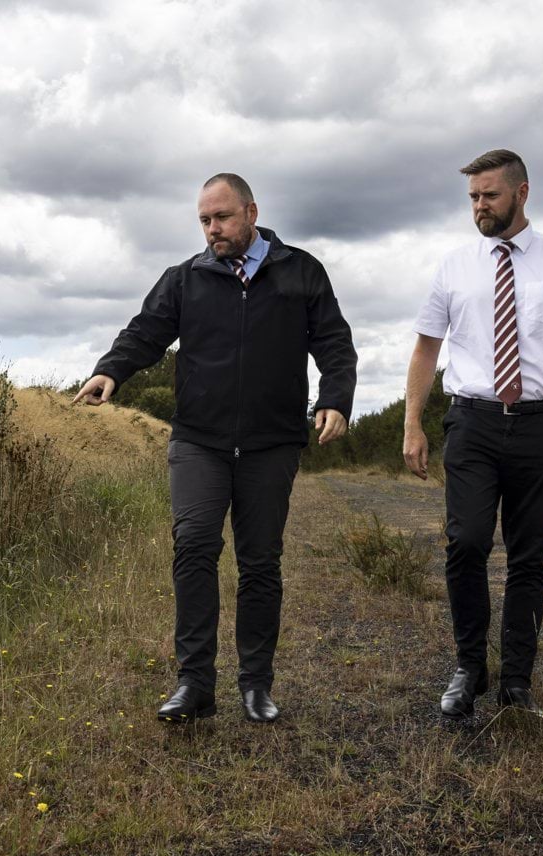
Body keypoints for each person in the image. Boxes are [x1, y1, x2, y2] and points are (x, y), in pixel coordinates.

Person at [73, 173, 357, 723]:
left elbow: (333, 342)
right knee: (195, 548)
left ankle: (256, 686)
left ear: (251, 211)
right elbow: (146, 331)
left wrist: (336, 398)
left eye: (222, 217)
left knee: (259, 563)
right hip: (199, 441)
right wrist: (111, 371)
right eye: (204, 220)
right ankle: (194, 683)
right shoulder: (185, 279)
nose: (212, 230)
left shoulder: (300, 271)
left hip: (271, 443)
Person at [402, 149, 543, 718]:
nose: (479, 206)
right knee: (468, 542)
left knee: (529, 556)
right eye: (473, 197)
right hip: (472, 421)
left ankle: (517, 682)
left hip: (542, 424)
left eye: (490, 196)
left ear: (522, 193)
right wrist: (412, 424)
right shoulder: (455, 265)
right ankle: (468, 668)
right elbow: (427, 346)